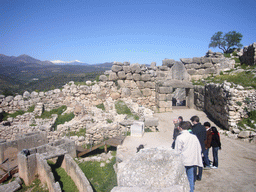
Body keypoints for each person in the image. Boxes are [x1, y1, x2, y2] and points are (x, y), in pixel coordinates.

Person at [175, 121, 203, 192]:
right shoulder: (193, 137)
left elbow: (177, 151)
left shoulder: (179, 137)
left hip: (183, 161)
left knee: (181, 178)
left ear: (181, 128)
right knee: (191, 177)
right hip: (192, 160)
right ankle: (191, 190)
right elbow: (198, 148)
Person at [190, 115, 206, 181]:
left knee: (194, 162)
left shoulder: (194, 128)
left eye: (192, 121)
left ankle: (194, 176)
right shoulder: (203, 127)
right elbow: (205, 137)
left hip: (195, 146)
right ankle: (199, 176)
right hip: (202, 145)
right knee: (200, 162)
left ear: (194, 121)